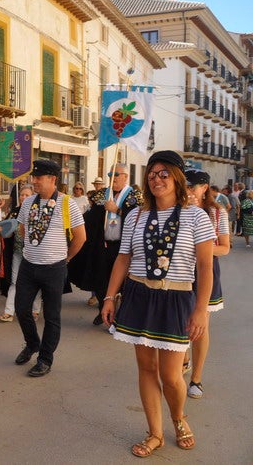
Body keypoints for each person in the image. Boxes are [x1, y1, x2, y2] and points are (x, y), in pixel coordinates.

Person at [101, 150, 214, 458]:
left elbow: (204, 266)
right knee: (146, 368)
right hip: (139, 296)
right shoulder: (136, 215)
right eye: (152, 173)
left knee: (171, 376)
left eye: (164, 173)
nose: (156, 179)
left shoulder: (196, 216)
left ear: (177, 179)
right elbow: (123, 258)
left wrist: (201, 309)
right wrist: (110, 297)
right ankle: (155, 432)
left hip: (176, 298)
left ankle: (178, 417)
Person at [14, 159, 86, 377]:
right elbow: (22, 229)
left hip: (54, 268)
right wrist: (33, 248)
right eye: (33, 177)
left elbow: (81, 237)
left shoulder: (67, 203)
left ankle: (45, 358)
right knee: (22, 308)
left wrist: (66, 258)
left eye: (38, 178)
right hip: (29, 265)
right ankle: (32, 343)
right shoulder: (28, 203)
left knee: (52, 315)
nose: (33, 181)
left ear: (52, 179)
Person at [182, 169, 230, 400]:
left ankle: (197, 379)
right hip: (180, 270)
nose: (188, 191)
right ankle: (183, 358)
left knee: (201, 326)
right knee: (181, 320)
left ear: (205, 188)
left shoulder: (217, 213)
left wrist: (201, 249)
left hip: (205, 271)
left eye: (192, 187)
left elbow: (225, 247)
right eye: (185, 186)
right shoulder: (176, 209)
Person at [76, 163, 144, 326]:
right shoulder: (102, 194)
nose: (112, 178)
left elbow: (139, 218)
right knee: (100, 279)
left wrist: (118, 210)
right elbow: (91, 217)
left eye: (116, 174)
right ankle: (102, 308)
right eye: (110, 174)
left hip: (124, 246)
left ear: (126, 177)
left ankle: (119, 314)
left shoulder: (135, 196)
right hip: (102, 244)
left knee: (122, 281)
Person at [0, 184, 41, 322]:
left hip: (34, 253)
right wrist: (1, 230)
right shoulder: (14, 212)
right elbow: (8, 234)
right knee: (15, 282)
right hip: (17, 252)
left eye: (27, 195)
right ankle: (9, 312)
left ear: (33, 196)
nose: (23, 197)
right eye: (22, 195)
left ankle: (35, 310)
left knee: (35, 282)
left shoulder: (38, 212)